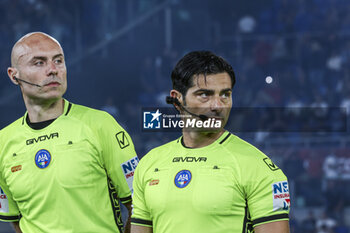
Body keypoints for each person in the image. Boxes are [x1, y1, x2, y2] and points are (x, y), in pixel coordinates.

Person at [131, 51, 290, 233]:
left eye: (225, 95)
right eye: (204, 95)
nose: (217, 105)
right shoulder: (149, 163)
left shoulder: (257, 167)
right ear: (177, 99)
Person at [0, 32, 138, 233]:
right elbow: (17, 220)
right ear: (14, 76)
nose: (53, 70)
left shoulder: (100, 125)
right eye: (39, 63)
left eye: (58, 60)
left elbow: (140, 205)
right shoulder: (3, 142)